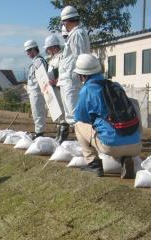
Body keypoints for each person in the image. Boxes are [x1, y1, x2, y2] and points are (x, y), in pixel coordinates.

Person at [73, 54, 142, 178]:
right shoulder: (116, 86)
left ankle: (94, 164)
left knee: (78, 125)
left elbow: (80, 116)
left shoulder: (87, 89)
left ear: (82, 75)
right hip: (136, 145)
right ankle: (125, 158)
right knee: (118, 125)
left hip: (111, 145)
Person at [58, 5, 91, 143]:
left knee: (74, 115)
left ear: (68, 20)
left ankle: (84, 144)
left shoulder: (77, 34)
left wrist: (82, 78)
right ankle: (83, 143)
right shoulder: (76, 34)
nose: (63, 25)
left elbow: (80, 57)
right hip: (69, 80)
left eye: (64, 22)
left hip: (72, 81)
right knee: (71, 115)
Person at [24, 40, 48, 138]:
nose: (28, 53)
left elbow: (41, 78)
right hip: (33, 91)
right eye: (27, 51)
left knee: (38, 113)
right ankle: (38, 132)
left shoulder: (39, 61)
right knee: (35, 113)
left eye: (29, 51)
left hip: (38, 92)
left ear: (34, 49)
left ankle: (39, 134)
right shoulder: (35, 61)